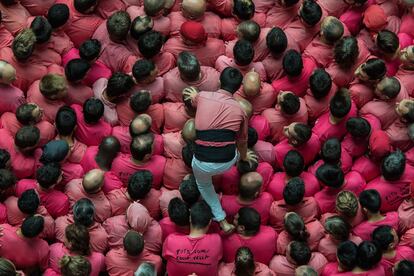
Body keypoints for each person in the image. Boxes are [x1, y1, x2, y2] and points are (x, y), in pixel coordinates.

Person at [182, 67, 255, 233]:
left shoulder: (203, 96)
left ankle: (222, 220)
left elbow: (192, 100)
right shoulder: (240, 111)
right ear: (238, 88)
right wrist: (243, 158)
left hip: (202, 164)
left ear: (220, 82)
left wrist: (194, 96)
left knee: (204, 185)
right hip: (227, 162)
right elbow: (242, 143)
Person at [163, 201, 223, 276]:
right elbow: (219, 258)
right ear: (210, 222)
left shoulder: (171, 240)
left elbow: (165, 257)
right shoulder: (217, 240)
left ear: (190, 218)